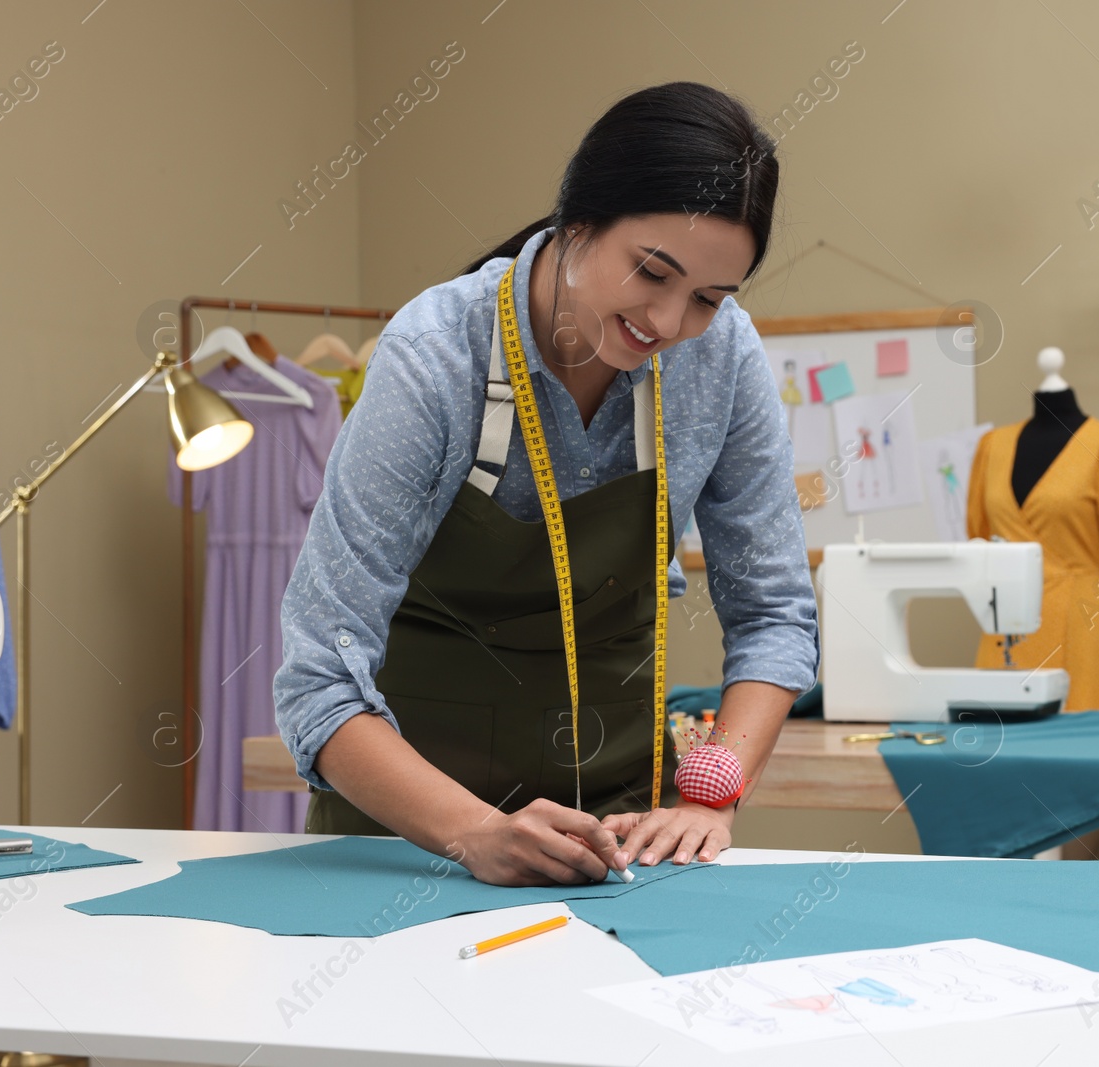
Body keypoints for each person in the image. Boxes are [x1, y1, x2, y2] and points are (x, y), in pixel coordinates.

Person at [274, 82, 818, 888]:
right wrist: (474, 833)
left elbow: (773, 613)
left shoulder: (721, 357)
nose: (668, 324)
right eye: (652, 272)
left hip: (619, 837)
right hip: (410, 838)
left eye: (708, 297)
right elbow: (318, 677)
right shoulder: (436, 355)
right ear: (576, 219)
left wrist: (710, 797)